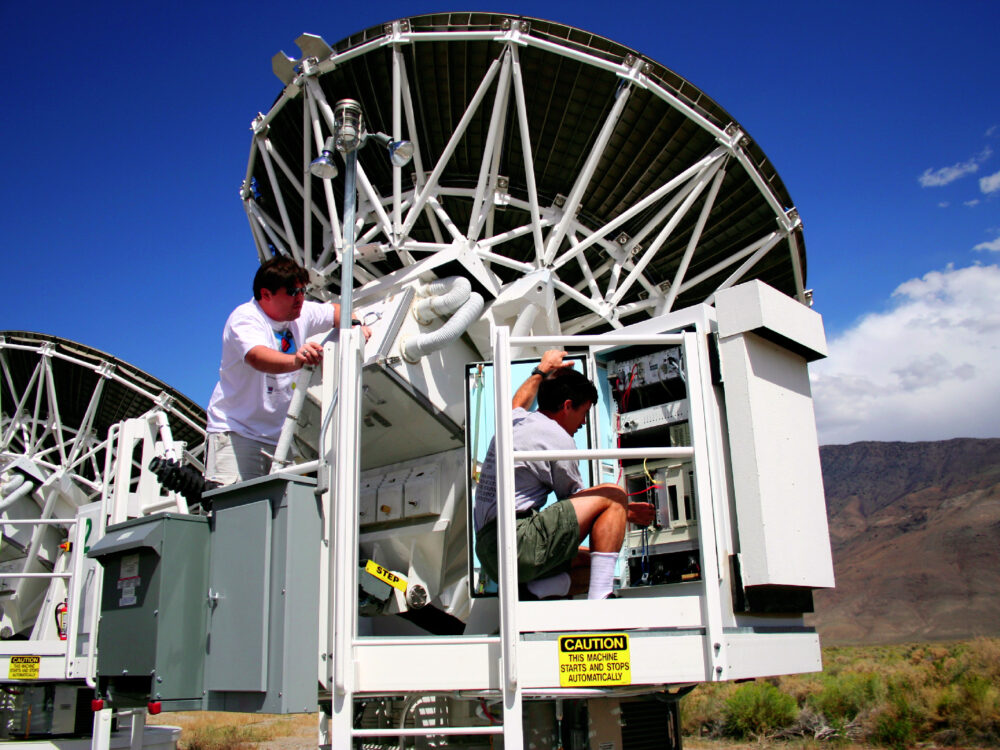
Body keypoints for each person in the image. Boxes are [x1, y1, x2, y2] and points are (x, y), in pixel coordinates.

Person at [474, 350, 655, 600]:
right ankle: (602, 604)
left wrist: (542, 369)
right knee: (614, 494)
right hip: (516, 543)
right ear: (568, 406)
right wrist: (625, 508)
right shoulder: (558, 438)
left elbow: (520, 401)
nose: (583, 423)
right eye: (584, 413)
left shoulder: (515, 421)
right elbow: (578, 500)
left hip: (490, 552)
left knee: (593, 561)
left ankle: (535, 591)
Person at [205, 255, 369, 485]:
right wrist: (296, 360)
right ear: (266, 295)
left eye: (303, 290)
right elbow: (257, 356)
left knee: (285, 514)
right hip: (237, 435)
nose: (300, 298)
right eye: (292, 292)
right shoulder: (245, 319)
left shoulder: (301, 313)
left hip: (279, 438)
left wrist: (356, 326)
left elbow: (337, 312)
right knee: (239, 513)